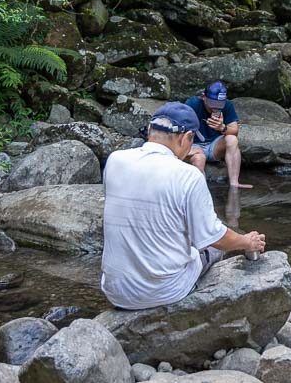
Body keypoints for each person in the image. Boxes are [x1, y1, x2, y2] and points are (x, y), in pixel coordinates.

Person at [100, 102, 266, 310]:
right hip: (165, 290)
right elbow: (215, 238)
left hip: (115, 291)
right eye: (192, 141)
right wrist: (247, 242)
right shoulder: (188, 176)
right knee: (213, 248)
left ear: (151, 130)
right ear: (186, 137)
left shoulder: (115, 160)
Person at [186, 81, 252, 189]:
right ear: (204, 97)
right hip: (195, 146)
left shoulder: (227, 105)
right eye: (212, 103)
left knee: (232, 139)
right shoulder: (192, 104)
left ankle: (234, 182)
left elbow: (235, 130)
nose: (215, 108)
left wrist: (222, 128)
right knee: (199, 158)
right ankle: (200, 189)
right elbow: (180, 129)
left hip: (214, 146)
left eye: (219, 104)